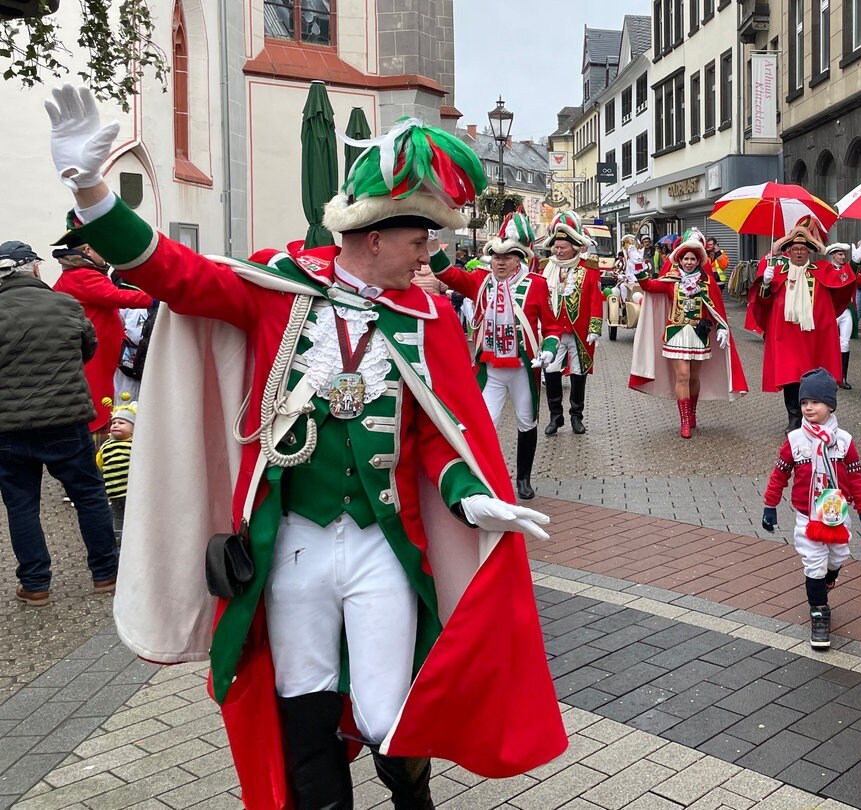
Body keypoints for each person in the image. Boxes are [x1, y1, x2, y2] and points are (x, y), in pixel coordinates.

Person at [43, 85, 565, 806]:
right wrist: (94, 192)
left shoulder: (429, 317)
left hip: (382, 545)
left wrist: (471, 497)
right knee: (303, 699)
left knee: (390, 712)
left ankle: (412, 798)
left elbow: (438, 437)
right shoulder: (276, 289)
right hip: (291, 545)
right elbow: (173, 272)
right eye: (419, 241)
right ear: (373, 236)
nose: (429, 257)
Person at [0, 238, 118, 608]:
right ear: (34, 269)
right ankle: (106, 573)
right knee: (89, 495)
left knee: (21, 505)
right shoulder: (65, 303)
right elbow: (88, 349)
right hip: (66, 421)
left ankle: (35, 584)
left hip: (8, 428)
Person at [435, 213, 561, 501]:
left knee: (526, 422)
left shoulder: (536, 284)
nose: (500, 262)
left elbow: (552, 326)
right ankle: (487, 477)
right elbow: (447, 275)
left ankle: (524, 478)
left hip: (522, 369)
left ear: (520, 259)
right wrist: (432, 247)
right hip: (489, 368)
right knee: (482, 425)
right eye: (496, 256)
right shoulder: (481, 281)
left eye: (508, 257)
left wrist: (549, 351)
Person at [761, 368, 861, 649]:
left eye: (815, 402)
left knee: (837, 557)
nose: (809, 407)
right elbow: (779, 474)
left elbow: (857, 477)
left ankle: (828, 577)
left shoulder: (844, 441)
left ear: (830, 405)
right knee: (814, 562)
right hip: (806, 512)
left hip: (836, 509)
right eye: (804, 402)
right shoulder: (795, 440)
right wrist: (770, 505)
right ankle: (819, 614)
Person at [630, 231, 746, 437]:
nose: (689, 262)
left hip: (699, 335)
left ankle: (692, 412)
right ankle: (684, 421)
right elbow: (648, 286)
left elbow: (716, 308)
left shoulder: (707, 283)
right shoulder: (671, 281)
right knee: (682, 375)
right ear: (680, 260)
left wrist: (721, 328)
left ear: (698, 261)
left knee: (693, 377)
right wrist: (638, 268)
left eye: (693, 259)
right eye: (686, 258)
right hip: (676, 334)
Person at [745, 217, 856, 431]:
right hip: (786, 336)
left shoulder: (821, 269)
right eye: (794, 248)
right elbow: (762, 303)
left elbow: (843, 284)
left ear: (809, 251)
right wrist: (764, 283)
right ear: (787, 251)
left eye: (803, 249)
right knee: (790, 378)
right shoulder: (778, 272)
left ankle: (814, 418)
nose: (798, 252)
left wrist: (858, 264)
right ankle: (794, 419)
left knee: (814, 377)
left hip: (815, 336)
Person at [50, 234, 153, 438]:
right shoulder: (83, 275)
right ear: (88, 250)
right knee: (99, 409)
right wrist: (157, 298)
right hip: (95, 359)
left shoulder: (77, 274)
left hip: (97, 357)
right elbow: (118, 296)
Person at [539, 211, 604, 436]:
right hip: (553, 332)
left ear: (574, 247)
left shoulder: (589, 269)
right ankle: (555, 417)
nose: (558, 251)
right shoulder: (546, 268)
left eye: (562, 247)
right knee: (552, 372)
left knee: (578, 373)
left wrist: (595, 329)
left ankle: (577, 416)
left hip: (579, 331)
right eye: (555, 247)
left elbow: (596, 300)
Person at [825, 241, 861, 391]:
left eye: (844, 254)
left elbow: (860, 281)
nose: (843, 257)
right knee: (828, 343)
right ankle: (827, 375)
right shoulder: (827, 269)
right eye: (840, 254)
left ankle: (842, 377)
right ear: (832, 255)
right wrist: (854, 263)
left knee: (844, 343)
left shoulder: (848, 269)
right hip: (831, 310)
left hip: (846, 310)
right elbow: (839, 279)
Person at [96, 394, 136, 544]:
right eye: (114, 422)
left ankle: (134, 542)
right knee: (117, 519)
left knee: (134, 517)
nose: (116, 425)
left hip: (132, 493)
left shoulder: (135, 444)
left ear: (134, 429)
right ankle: (118, 543)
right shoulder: (106, 445)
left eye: (122, 423)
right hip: (114, 494)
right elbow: (99, 464)